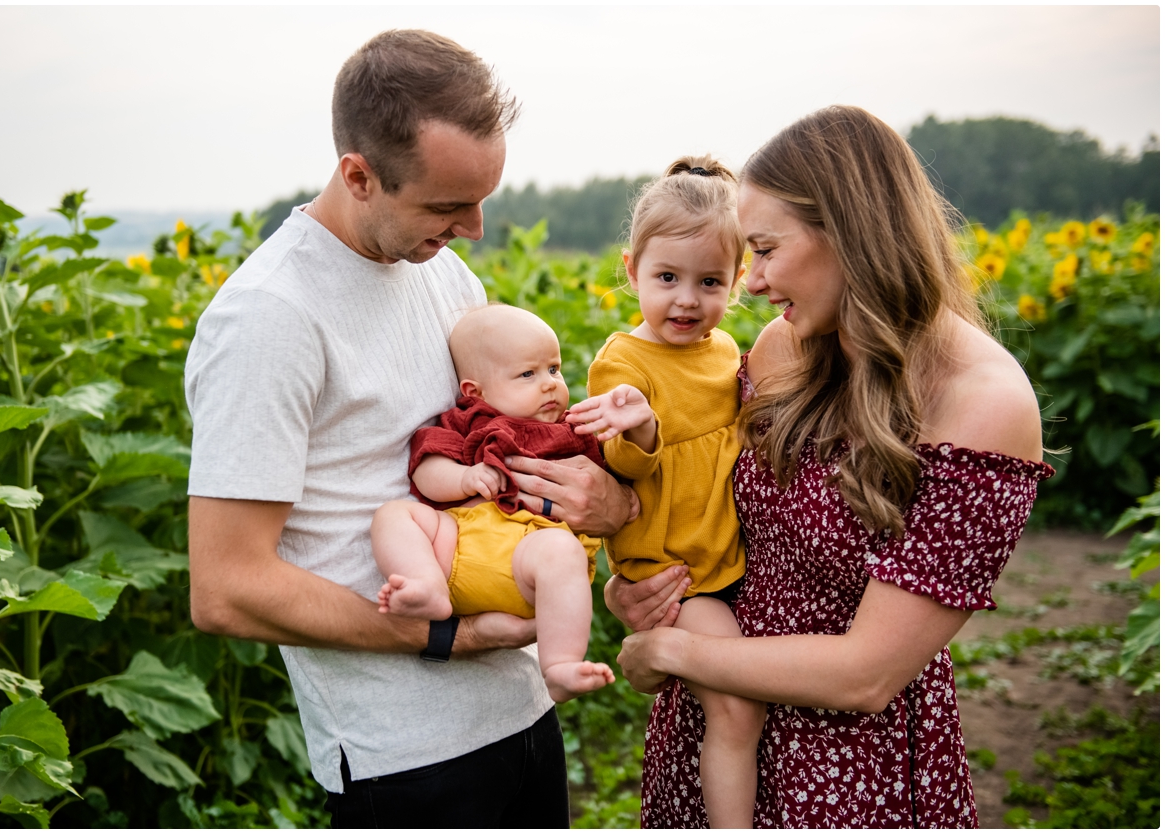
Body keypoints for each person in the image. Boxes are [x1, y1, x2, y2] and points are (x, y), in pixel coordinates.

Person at [184, 29, 635, 826]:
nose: (476, 228)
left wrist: (603, 499)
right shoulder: (269, 318)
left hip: (523, 709)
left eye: (482, 198)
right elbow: (226, 589)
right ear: (358, 175)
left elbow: (505, 441)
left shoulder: (444, 272)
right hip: (408, 760)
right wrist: (443, 638)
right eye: (446, 205)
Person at [608, 105, 1051, 827]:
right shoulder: (786, 350)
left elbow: (866, 674)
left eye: (766, 250)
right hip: (720, 728)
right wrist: (642, 583)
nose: (750, 283)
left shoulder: (985, 407)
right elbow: (706, 501)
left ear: (848, 232)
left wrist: (667, 647)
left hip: (847, 769)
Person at [570, 156, 765, 827]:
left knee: (729, 702)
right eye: (667, 278)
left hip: (726, 556)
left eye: (710, 281)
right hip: (679, 570)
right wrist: (642, 425)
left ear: (738, 280)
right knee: (737, 705)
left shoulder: (726, 352)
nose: (687, 299)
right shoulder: (622, 363)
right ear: (632, 272)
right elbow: (623, 467)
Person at [370, 304, 618, 703]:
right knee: (394, 515)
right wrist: (464, 477)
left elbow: (616, 474)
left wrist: (634, 431)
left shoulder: (571, 431)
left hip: (527, 557)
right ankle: (425, 583)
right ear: (475, 392)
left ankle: (559, 665)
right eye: (527, 374)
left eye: (553, 369)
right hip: (457, 548)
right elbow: (425, 469)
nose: (549, 384)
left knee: (560, 550)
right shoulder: (465, 423)